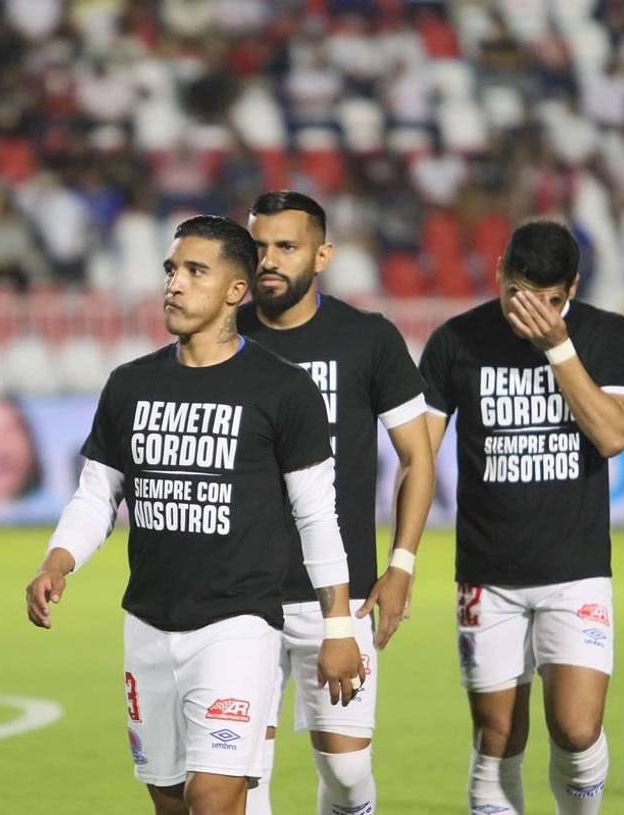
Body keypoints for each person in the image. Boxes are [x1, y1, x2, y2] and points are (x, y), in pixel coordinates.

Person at [26, 215, 365, 815]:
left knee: (213, 796)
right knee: (170, 802)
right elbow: (98, 494)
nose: (174, 284)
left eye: (194, 271)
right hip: (148, 624)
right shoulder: (130, 384)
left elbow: (317, 516)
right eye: (171, 270)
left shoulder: (283, 390)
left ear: (236, 290)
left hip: (238, 625)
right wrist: (58, 561)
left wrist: (337, 629)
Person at [419, 220, 624, 815]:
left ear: (573, 288)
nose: (533, 313)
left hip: (576, 571)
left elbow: (613, 435)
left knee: (576, 730)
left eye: (551, 300)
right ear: (498, 274)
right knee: (497, 736)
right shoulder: (456, 340)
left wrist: (558, 348)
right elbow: (418, 457)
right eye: (519, 295)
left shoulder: (604, 333)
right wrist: (402, 560)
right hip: (486, 575)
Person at [237, 190, 434, 815]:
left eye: (286, 247)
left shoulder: (367, 339)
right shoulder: (223, 337)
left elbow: (417, 457)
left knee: (347, 774)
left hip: (337, 595)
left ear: (322, 256)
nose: (269, 260)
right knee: (242, 777)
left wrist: (400, 566)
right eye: (258, 247)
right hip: (238, 594)